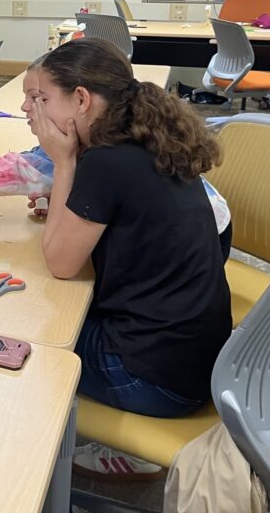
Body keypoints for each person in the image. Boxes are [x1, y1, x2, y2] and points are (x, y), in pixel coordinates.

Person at [30, 38, 232, 479]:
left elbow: (61, 264)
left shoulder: (104, 161)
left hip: (153, 380)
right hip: (199, 362)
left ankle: (32, 478)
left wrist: (63, 165)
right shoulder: (151, 139)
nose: (35, 111)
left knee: (22, 337)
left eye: (43, 99)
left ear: (81, 99)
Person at [0, 58, 231, 259]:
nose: (26, 107)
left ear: (82, 100)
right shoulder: (132, 126)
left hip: (192, 258)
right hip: (200, 241)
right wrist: (68, 203)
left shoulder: (103, 158)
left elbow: (18, 175)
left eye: (38, 98)